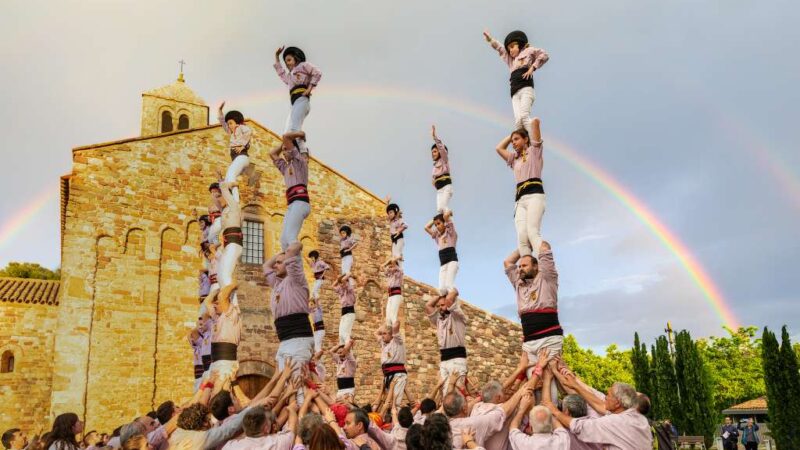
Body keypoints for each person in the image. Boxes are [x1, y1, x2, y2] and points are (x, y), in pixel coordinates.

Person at [503, 240, 561, 395]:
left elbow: (545, 247)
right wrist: (524, 246)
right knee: (533, 382)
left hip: (548, 338)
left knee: (549, 379)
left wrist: (531, 237)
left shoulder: (547, 277)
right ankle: (534, 415)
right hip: (529, 342)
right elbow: (508, 262)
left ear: (536, 266)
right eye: (520, 266)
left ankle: (551, 411)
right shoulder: (518, 284)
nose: (520, 268)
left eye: (524, 265)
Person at [263, 242, 315, 399]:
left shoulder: (296, 279)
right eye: (276, 263)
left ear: (289, 264)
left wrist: (288, 249)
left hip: (298, 338)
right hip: (285, 340)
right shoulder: (277, 284)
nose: (275, 265)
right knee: (285, 388)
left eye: (279, 263)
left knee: (296, 388)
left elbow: (294, 248)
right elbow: (266, 266)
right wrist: (279, 255)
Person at [546, 382, 653, 450]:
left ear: (617, 403)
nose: (605, 397)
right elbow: (597, 403)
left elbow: (578, 426)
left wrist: (555, 411)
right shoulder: (639, 419)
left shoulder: (614, 422)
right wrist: (576, 386)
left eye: (609, 395)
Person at [495, 118, 546, 259]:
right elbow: (498, 148)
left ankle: (543, 264)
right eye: (512, 141)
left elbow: (535, 122)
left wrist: (526, 123)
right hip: (520, 200)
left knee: (532, 232)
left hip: (535, 195)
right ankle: (529, 272)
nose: (513, 143)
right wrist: (512, 133)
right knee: (522, 237)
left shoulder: (534, 151)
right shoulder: (514, 159)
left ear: (526, 139)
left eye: (517, 139)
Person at [482, 29, 549, 138]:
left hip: (526, 89)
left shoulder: (529, 51)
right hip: (514, 92)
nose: (511, 50)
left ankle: (535, 142)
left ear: (520, 44)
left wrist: (532, 67)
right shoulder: (511, 60)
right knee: (518, 121)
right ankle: (524, 150)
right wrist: (490, 40)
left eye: (513, 46)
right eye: (509, 48)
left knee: (524, 116)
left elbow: (544, 55)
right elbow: (500, 48)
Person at [273, 46, 322, 155]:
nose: (288, 64)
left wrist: (309, 88)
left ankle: (303, 151)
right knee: (286, 132)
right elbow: (281, 73)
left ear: (296, 58)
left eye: (289, 60)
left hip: (302, 100)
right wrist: (277, 56)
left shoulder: (303, 66)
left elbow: (317, 72)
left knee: (295, 127)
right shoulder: (289, 77)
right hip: (294, 104)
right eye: (286, 62)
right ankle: (293, 152)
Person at [270, 137, 311, 252]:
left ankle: (296, 267)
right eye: (283, 151)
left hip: (300, 203)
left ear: (293, 150)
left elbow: (287, 137)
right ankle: (287, 266)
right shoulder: (285, 167)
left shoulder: (300, 162)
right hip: (292, 205)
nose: (283, 153)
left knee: (290, 237)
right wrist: (282, 145)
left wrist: (298, 134)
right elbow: (272, 153)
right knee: (284, 240)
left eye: (286, 150)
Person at [424, 294, 467, 394]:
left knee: (456, 393)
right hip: (444, 359)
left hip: (457, 358)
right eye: (438, 306)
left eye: (442, 305)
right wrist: (440, 294)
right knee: (444, 393)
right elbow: (428, 306)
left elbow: (450, 297)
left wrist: (447, 289)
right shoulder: (439, 320)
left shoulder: (457, 316)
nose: (440, 308)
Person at [200, 282, 241, 381]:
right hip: (215, 362)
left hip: (226, 362)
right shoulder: (217, 317)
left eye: (217, 303)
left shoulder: (230, 313)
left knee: (219, 394)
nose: (214, 306)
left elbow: (223, 296)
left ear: (227, 303)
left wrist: (233, 284)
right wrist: (216, 289)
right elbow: (207, 302)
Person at [217, 103, 253, 203]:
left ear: (237, 122)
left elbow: (249, 132)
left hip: (242, 156)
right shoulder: (231, 132)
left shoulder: (241, 127)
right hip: (236, 158)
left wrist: (243, 145)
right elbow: (223, 124)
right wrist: (220, 111)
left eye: (231, 123)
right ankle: (231, 200)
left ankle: (235, 202)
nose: (229, 126)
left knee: (231, 174)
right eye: (228, 124)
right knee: (228, 178)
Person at [220, 404, 297, 450]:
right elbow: (292, 429)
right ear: (266, 429)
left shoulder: (230, 446)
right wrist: (291, 409)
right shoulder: (275, 443)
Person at [423, 211, 458, 302]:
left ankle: (454, 306)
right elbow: (426, 227)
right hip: (443, 264)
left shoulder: (450, 233)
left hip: (452, 261)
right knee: (442, 289)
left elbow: (447, 219)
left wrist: (445, 215)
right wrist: (435, 219)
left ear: (444, 223)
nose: (437, 226)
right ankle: (447, 307)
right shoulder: (437, 236)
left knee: (449, 286)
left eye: (439, 223)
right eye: (435, 225)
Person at [376, 320, 408, 408]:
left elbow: (396, 325)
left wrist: (391, 319)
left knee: (396, 402)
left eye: (385, 334)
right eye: (382, 334)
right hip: (387, 375)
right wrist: (384, 326)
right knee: (387, 402)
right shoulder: (384, 344)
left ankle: (396, 419)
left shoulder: (397, 341)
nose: (382, 336)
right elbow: (376, 333)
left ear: (391, 335)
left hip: (398, 375)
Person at [430, 125, 453, 215]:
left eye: (435, 151)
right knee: (439, 210)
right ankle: (444, 227)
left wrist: (434, 137)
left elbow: (441, 148)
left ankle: (449, 221)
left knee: (444, 208)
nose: (433, 154)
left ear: (440, 152)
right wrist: (434, 182)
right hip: (439, 189)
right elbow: (433, 180)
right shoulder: (434, 167)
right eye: (432, 152)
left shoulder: (444, 160)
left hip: (446, 187)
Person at [332, 273, 357, 345]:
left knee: (346, 333)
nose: (341, 284)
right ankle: (342, 348)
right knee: (341, 334)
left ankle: (347, 348)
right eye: (340, 283)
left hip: (349, 312)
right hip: (344, 313)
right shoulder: (341, 290)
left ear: (347, 282)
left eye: (343, 283)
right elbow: (333, 286)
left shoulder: (350, 289)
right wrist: (339, 278)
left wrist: (349, 275)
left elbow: (343, 280)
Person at [381, 257, 404, 326]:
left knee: (393, 315)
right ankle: (390, 333)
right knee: (388, 317)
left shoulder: (399, 271)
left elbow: (393, 260)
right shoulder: (389, 274)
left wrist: (396, 258)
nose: (389, 267)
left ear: (395, 265)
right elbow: (381, 267)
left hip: (396, 294)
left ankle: (395, 334)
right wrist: (387, 264)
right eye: (389, 266)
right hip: (390, 295)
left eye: (391, 265)